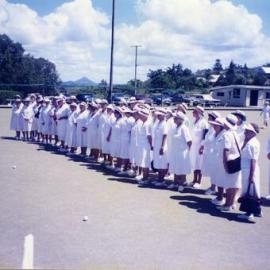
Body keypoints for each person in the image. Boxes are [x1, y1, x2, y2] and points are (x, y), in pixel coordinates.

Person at [238, 123, 261, 222]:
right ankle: (257, 211)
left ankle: (249, 213)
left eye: (247, 131)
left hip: (250, 170)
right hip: (246, 170)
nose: (245, 132)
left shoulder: (253, 144)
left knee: (250, 192)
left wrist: (251, 176)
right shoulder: (248, 141)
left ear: (252, 133)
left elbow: (253, 160)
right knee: (253, 191)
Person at [167, 112, 192, 192]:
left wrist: (188, 151)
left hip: (182, 152)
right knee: (175, 167)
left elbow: (189, 141)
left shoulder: (184, 128)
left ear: (180, 120)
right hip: (175, 151)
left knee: (181, 168)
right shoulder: (175, 127)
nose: (174, 119)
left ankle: (181, 184)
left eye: (176, 118)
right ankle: (175, 183)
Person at [200, 111, 220, 195]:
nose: (208, 119)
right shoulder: (211, 127)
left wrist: (203, 144)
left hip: (213, 153)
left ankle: (213, 188)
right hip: (208, 152)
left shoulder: (215, 129)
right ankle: (212, 186)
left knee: (214, 171)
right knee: (211, 171)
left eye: (210, 117)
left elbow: (209, 140)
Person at [190, 106, 209, 188]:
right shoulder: (194, 121)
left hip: (200, 146)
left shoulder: (204, 123)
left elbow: (205, 136)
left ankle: (199, 181)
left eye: (194, 111)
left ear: (199, 113)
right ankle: (194, 180)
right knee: (195, 163)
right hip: (193, 146)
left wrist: (202, 146)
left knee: (200, 163)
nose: (193, 113)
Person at [136, 109, 153, 185]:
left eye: (140, 115)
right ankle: (144, 176)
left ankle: (146, 178)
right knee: (143, 161)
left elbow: (149, 136)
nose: (139, 116)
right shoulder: (143, 123)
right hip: (142, 145)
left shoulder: (147, 124)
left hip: (145, 146)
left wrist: (151, 145)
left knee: (145, 162)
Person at [152, 109, 168, 188]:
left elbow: (165, 135)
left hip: (162, 145)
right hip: (157, 144)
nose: (158, 116)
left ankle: (162, 180)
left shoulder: (164, 124)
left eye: (159, 115)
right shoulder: (158, 123)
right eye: (157, 115)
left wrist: (162, 147)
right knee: (158, 162)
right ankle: (159, 179)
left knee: (162, 163)